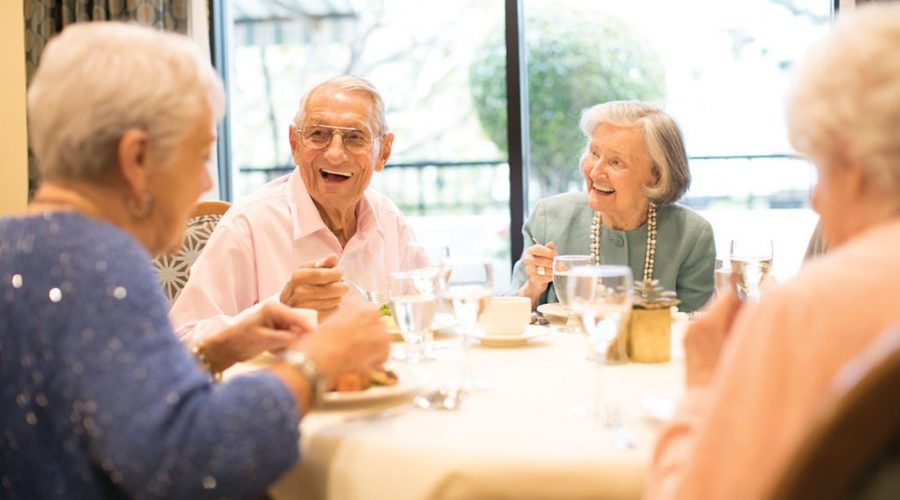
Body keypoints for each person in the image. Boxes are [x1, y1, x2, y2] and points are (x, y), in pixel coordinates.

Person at [0, 23, 389, 499]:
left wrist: (219, 348)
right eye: (202, 154)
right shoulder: (101, 268)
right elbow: (194, 463)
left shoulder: (21, 247)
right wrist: (317, 362)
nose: (207, 182)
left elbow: (130, 405)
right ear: (137, 159)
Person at [646, 4, 900, 499]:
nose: (816, 200)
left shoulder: (807, 312)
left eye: (820, 168)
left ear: (853, 162)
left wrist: (702, 387)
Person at [170, 76, 421, 343]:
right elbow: (183, 342)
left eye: (354, 137)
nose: (335, 153)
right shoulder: (248, 225)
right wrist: (281, 308)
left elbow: (426, 315)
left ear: (384, 151)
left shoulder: (389, 220)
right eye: (318, 134)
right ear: (295, 144)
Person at [509, 101, 715, 312]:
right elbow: (504, 317)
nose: (595, 172)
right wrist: (532, 287)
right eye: (594, 153)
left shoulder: (692, 235)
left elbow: (702, 331)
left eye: (616, 162)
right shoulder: (548, 218)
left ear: (656, 176)